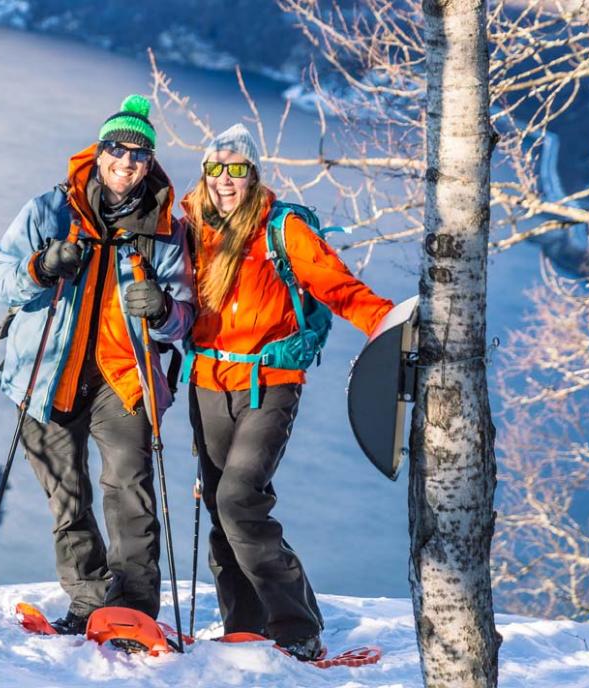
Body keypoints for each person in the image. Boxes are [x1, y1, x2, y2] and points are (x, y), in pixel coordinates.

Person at [180, 124, 393, 660]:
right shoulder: (193, 228)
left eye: (236, 169)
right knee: (220, 509)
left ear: (253, 174)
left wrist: (387, 323)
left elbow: (335, 285)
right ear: (204, 174)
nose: (225, 180)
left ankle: (296, 626)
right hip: (206, 383)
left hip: (269, 383)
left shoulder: (282, 228)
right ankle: (244, 624)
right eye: (216, 169)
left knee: (239, 500)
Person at [0, 95, 194, 634]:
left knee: (130, 491)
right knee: (66, 495)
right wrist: (40, 266)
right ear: (98, 154)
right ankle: (88, 598)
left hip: (122, 379)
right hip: (46, 376)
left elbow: (184, 321)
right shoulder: (50, 211)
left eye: (139, 155)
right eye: (117, 150)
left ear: (150, 164)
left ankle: (134, 609)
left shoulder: (164, 226)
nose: (127, 162)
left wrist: (165, 309)